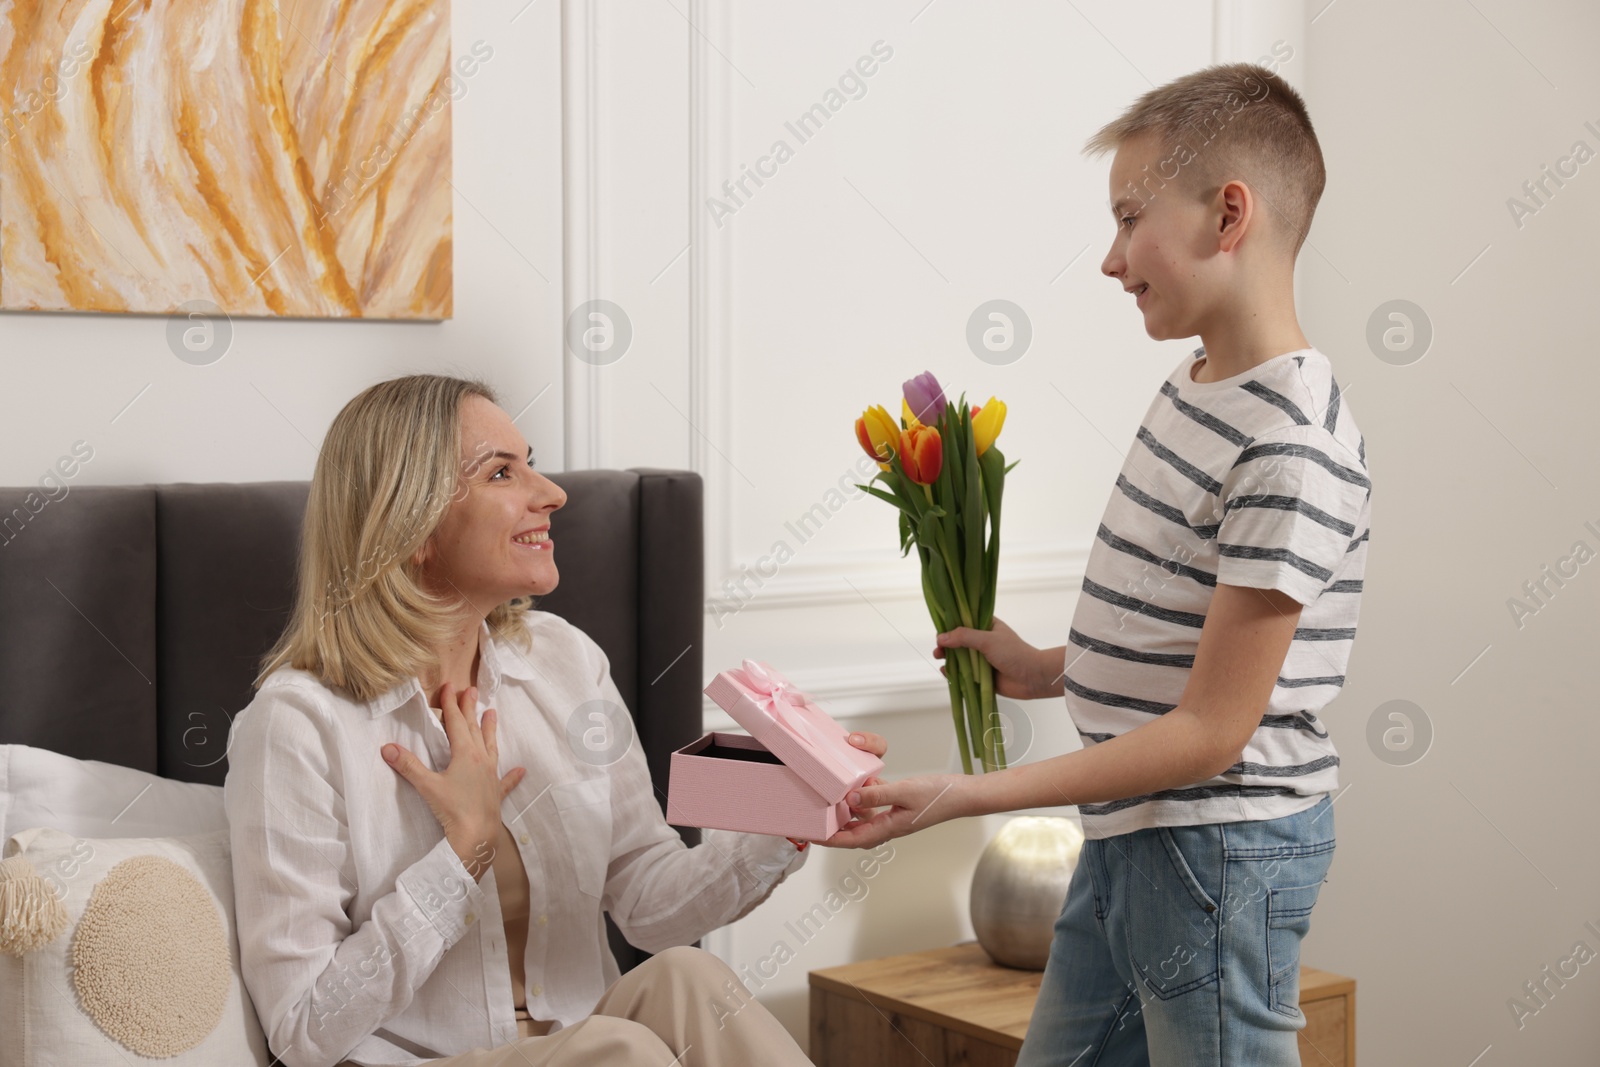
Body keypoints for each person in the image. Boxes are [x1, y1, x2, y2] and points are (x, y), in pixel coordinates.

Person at [828, 62, 1371, 1066]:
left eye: (1130, 218)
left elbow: (1211, 729)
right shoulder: (1201, 383)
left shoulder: (1289, 443)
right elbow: (1177, 619)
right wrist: (1049, 666)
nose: (1111, 259)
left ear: (1228, 215)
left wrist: (965, 793)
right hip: (1136, 838)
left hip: (1217, 846)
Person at [223, 374, 887, 1067]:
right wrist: (462, 854)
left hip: (584, 1043)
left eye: (529, 462)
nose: (551, 493)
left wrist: (784, 819)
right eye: (502, 472)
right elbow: (301, 1029)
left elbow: (647, 901)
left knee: (691, 978)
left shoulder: (565, 662)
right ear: (412, 525)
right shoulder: (298, 724)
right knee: (622, 1050)